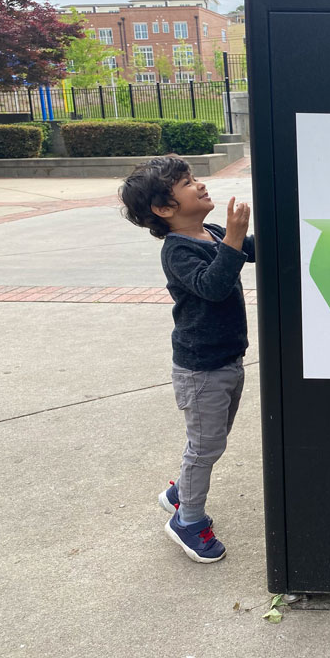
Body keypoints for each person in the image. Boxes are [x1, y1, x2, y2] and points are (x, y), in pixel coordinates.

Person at [119, 155, 254, 563]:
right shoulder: (178, 250)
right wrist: (233, 238)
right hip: (200, 369)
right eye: (186, 183)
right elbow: (212, 287)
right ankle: (188, 519)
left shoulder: (211, 232)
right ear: (164, 209)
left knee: (214, 440)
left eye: (194, 177)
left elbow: (251, 252)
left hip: (227, 359)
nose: (199, 185)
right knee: (205, 446)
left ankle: (178, 493)